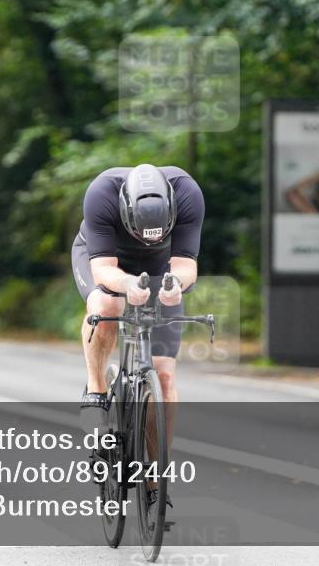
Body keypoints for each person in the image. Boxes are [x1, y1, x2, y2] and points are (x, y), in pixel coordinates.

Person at [71, 163, 204, 511]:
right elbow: (103, 270)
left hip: (161, 268)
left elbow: (187, 264)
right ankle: (96, 387)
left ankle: (156, 481)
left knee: (164, 375)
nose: (153, 236)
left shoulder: (188, 193)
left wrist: (177, 284)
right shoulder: (102, 193)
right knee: (107, 305)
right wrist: (129, 284)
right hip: (106, 260)